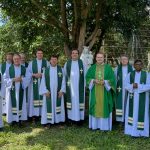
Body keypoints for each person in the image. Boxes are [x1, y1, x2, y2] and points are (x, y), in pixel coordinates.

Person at [86, 52, 116, 131]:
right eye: (98, 57)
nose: (99, 59)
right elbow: (87, 78)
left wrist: (105, 82)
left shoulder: (108, 68)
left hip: (105, 92)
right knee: (95, 106)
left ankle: (104, 127)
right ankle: (94, 126)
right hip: (95, 91)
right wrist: (93, 81)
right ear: (95, 58)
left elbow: (113, 79)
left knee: (104, 107)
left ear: (103, 58)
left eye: (101, 57)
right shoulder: (92, 68)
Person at [124, 59, 150, 137]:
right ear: (134, 66)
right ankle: (131, 131)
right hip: (132, 97)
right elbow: (125, 85)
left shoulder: (147, 74)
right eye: (137, 64)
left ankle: (143, 133)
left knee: (143, 115)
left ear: (142, 66)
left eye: (140, 64)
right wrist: (132, 86)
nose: (138, 66)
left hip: (143, 99)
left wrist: (138, 86)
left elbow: (149, 86)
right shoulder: (130, 74)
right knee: (132, 114)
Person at [4, 54, 29, 126]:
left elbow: (28, 78)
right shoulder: (9, 69)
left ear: (20, 59)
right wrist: (13, 79)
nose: (16, 60)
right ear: (13, 60)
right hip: (12, 89)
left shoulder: (24, 68)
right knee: (12, 104)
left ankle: (20, 120)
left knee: (21, 104)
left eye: (18, 59)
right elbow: (5, 79)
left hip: (21, 89)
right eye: (15, 59)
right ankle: (13, 120)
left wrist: (22, 79)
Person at [39, 55, 65, 126]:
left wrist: (62, 90)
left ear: (57, 60)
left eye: (55, 59)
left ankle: (58, 120)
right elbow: (43, 81)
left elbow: (64, 81)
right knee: (48, 106)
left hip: (58, 92)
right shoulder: (46, 70)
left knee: (58, 106)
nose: (53, 61)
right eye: (52, 59)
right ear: (50, 61)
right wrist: (45, 91)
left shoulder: (61, 69)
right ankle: (48, 121)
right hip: (48, 92)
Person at [64, 49, 86, 125]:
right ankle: (70, 119)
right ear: (71, 54)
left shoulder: (82, 63)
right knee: (71, 103)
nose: (74, 54)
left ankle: (80, 119)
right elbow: (64, 76)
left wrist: (85, 85)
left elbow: (85, 75)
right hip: (70, 88)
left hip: (80, 87)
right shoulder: (67, 64)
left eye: (76, 53)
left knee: (79, 103)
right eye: (73, 53)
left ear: (78, 54)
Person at [27, 48, 49, 122]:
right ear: (36, 54)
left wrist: (42, 74)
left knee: (43, 98)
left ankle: (42, 114)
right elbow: (28, 73)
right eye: (38, 53)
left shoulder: (47, 63)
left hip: (44, 84)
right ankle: (35, 116)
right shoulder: (31, 63)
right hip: (34, 84)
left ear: (43, 54)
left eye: (41, 53)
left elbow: (49, 72)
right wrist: (34, 74)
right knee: (34, 98)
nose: (40, 54)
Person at [114, 55, 133, 122]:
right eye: (122, 59)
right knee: (120, 104)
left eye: (125, 59)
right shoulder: (117, 69)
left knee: (128, 103)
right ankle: (120, 120)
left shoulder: (132, 69)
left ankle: (128, 120)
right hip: (120, 89)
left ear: (128, 60)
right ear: (120, 61)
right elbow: (114, 79)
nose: (124, 60)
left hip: (129, 90)